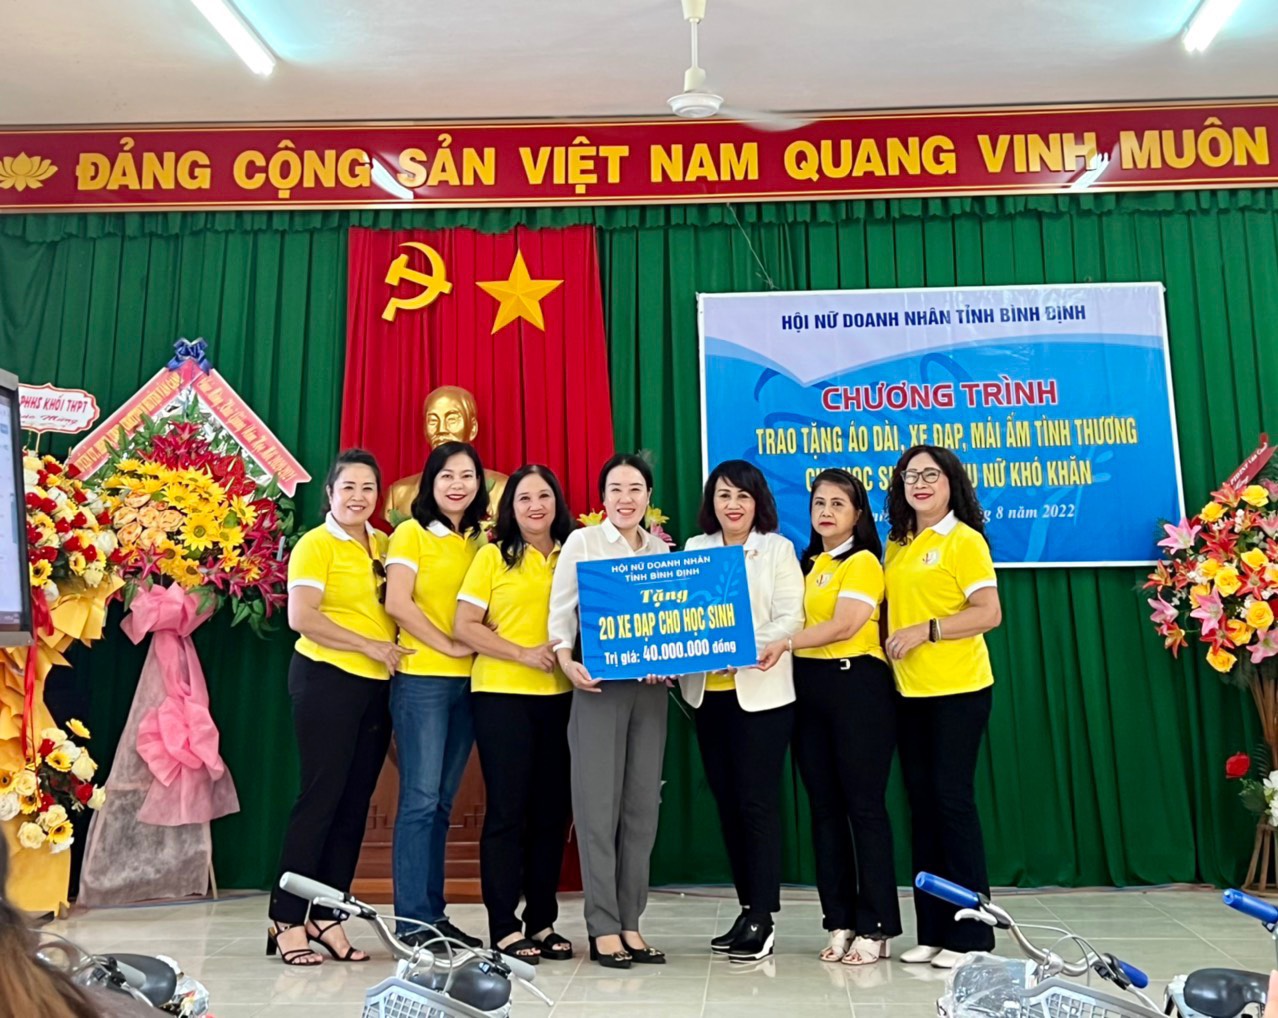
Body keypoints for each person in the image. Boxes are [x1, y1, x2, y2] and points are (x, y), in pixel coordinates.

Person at [269, 449, 406, 966]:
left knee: (354, 805)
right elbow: (302, 617)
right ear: (330, 493)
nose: (358, 497)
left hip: (376, 688)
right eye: (348, 487)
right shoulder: (315, 544)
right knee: (320, 799)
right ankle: (285, 918)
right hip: (326, 679)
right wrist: (369, 645)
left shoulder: (384, 544)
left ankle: (327, 915)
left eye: (368, 488)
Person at [760, 468, 901, 966]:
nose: (826, 511)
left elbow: (845, 625)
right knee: (824, 809)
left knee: (864, 808)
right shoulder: (809, 564)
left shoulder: (862, 562)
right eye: (819, 502)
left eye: (838, 504)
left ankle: (877, 925)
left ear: (858, 514)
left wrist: (784, 642)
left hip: (857, 687)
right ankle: (839, 920)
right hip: (810, 690)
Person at [547, 453, 671, 970]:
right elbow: (561, 610)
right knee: (598, 809)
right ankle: (602, 927)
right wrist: (565, 659)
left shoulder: (662, 551)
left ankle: (630, 923)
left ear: (648, 497)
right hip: (598, 687)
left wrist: (669, 661)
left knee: (641, 809)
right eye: (616, 489)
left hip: (650, 693)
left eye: (635, 488)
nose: (626, 498)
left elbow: (672, 621)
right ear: (602, 498)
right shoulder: (583, 543)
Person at [882, 445, 1002, 970]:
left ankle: (973, 937)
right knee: (923, 810)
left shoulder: (964, 540)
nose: (920, 483)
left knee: (953, 806)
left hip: (959, 690)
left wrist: (927, 630)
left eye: (931, 474)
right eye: (911, 475)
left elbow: (989, 613)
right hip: (909, 694)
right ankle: (933, 931)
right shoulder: (899, 542)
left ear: (952, 482)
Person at [680, 460, 804, 963]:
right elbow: (679, 616)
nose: (732, 505)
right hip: (708, 696)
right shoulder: (695, 549)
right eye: (723, 495)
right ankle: (747, 907)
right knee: (729, 805)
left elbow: (791, 617)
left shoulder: (777, 549)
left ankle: (764, 916)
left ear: (758, 503)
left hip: (762, 696)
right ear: (711, 502)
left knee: (756, 804)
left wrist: (740, 647)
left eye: (743, 496)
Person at [453, 464, 576, 965]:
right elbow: (465, 625)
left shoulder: (574, 553)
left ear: (557, 503)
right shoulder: (492, 555)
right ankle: (503, 926)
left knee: (551, 812)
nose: (534, 506)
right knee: (507, 811)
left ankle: (542, 920)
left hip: (563, 695)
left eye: (543, 496)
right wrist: (522, 654)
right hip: (501, 695)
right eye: (524, 498)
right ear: (510, 508)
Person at [384, 441, 490, 948]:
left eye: (467, 475)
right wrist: (448, 645)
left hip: (471, 683)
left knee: (443, 804)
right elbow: (398, 603)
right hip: (422, 679)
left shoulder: (481, 541)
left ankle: (434, 917)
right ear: (430, 482)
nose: (457, 485)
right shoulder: (411, 533)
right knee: (420, 802)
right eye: (447, 475)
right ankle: (411, 922)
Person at [384, 386, 509, 520]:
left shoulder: (502, 489)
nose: (441, 429)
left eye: (452, 420)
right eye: (433, 421)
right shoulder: (397, 494)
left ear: (472, 428)